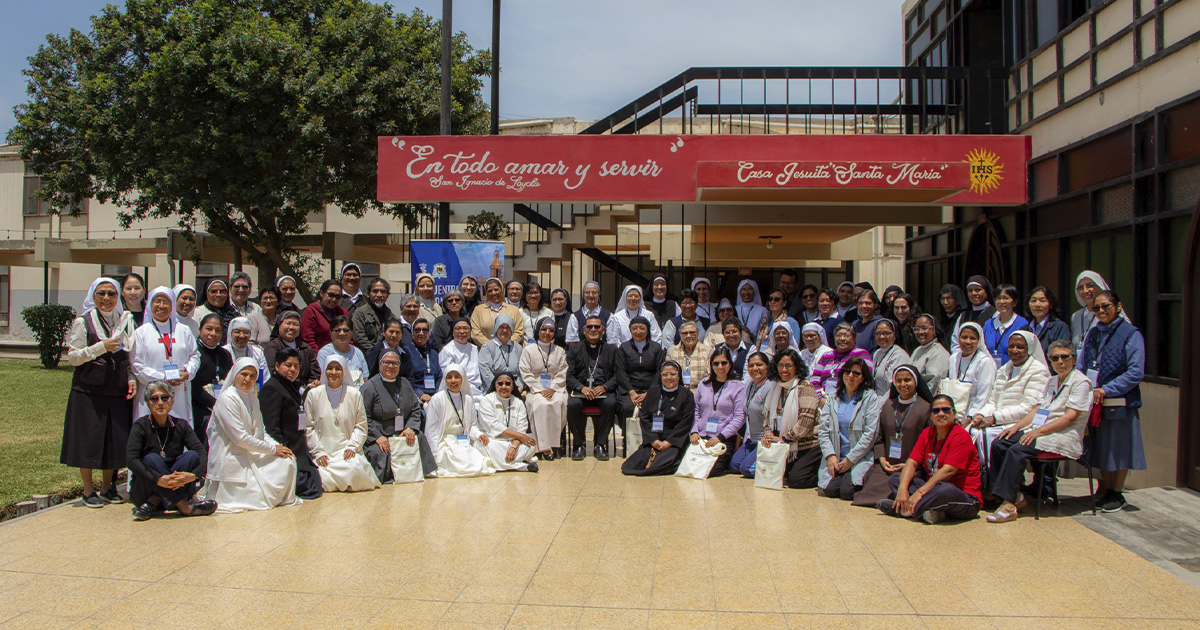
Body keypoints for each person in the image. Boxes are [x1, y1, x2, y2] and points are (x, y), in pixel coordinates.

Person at [986, 340, 1093, 523]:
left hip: (1063, 434)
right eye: (1055, 358)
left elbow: (1069, 417)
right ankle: (1015, 494)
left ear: (1073, 359)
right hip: (1042, 429)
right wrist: (1017, 427)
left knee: (1017, 450)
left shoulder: (1081, 382)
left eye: (1065, 357)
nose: (1060, 361)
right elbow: (1037, 410)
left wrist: (1038, 432)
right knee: (1000, 442)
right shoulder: (1052, 381)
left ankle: (1009, 504)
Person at [63, 277, 138, 507]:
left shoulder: (125, 320)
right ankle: (88, 489)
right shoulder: (83, 322)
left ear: (118, 297)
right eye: (101, 294)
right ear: (93, 297)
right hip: (88, 390)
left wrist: (132, 377)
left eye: (111, 294)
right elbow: (73, 357)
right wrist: (100, 347)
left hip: (116, 390)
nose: (106, 299)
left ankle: (108, 487)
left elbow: (129, 355)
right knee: (88, 440)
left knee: (114, 439)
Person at [203, 357, 300, 511]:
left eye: (252, 376)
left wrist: (277, 446)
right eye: (244, 374)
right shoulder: (227, 399)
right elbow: (240, 438)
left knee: (286, 462)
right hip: (232, 454)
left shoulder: (252, 398)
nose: (248, 379)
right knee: (257, 495)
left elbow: (260, 431)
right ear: (235, 374)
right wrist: (272, 449)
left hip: (252, 450)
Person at [1082, 290, 1146, 512]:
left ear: (1118, 306)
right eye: (1096, 308)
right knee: (1101, 447)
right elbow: (1083, 365)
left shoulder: (1131, 334)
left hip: (1119, 402)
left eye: (1106, 306)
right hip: (1096, 403)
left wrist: (1107, 389)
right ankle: (1106, 490)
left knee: (1118, 449)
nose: (1101, 311)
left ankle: (1117, 493)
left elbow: (1135, 372)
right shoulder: (1093, 333)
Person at [877, 395, 982, 523]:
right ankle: (930, 512)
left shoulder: (960, 436)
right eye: (936, 411)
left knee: (944, 489)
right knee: (895, 479)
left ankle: (904, 510)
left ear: (954, 414)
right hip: (932, 489)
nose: (941, 414)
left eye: (946, 410)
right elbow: (911, 463)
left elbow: (949, 471)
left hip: (964, 497)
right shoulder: (927, 433)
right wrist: (902, 489)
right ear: (931, 416)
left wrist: (919, 493)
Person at [126, 381, 218, 519]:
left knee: (192, 456)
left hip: (177, 486)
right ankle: (184, 506)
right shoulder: (140, 426)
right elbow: (131, 460)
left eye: (165, 397)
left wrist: (194, 476)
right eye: (154, 398)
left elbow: (201, 453)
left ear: (172, 400)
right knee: (151, 459)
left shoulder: (181, 425)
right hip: (146, 491)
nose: (160, 403)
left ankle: (155, 500)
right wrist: (158, 479)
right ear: (147, 402)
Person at [852, 366, 933, 508]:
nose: (903, 384)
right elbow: (880, 438)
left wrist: (911, 464)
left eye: (907, 380)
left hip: (912, 466)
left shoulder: (926, 408)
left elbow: (929, 444)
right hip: (887, 465)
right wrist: (882, 460)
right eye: (899, 380)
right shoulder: (888, 406)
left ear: (916, 382)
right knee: (864, 496)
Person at [970, 330, 1049, 477]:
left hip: (1022, 423)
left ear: (1029, 349)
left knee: (992, 437)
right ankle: (980, 481)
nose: (1015, 350)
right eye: (1011, 346)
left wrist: (995, 418)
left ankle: (997, 484)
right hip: (1000, 419)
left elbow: (1028, 408)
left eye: (1020, 347)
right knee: (972, 430)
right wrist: (981, 414)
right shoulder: (1004, 370)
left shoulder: (1038, 372)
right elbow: (993, 401)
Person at [303, 355, 381, 492]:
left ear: (344, 371)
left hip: (346, 450)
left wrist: (352, 447)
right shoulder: (313, 395)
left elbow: (361, 426)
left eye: (338, 369)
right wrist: (318, 452)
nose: (333, 372)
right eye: (330, 369)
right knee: (321, 475)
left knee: (354, 468)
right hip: (323, 451)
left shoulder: (354, 394)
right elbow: (308, 427)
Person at [360, 349, 437, 483]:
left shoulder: (405, 383)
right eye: (387, 363)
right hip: (380, 434)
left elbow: (414, 409)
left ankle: (418, 473)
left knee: (420, 438)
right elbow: (363, 417)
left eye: (395, 364)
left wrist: (410, 428)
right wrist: (377, 437)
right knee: (379, 453)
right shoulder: (368, 387)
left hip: (402, 432)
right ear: (379, 364)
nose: (391, 366)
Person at [259, 348, 323, 499]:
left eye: (296, 366)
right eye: (288, 365)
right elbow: (270, 427)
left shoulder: (291, 386)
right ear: (276, 366)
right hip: (285, 449)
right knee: (306, 487)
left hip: (298, 447)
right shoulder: (272, 388)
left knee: (314, 483)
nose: (292, 370)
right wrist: (282, 449)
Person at [132, 286, 199, 426]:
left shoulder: (183, 330)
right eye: (157, 301)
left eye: (166, 302)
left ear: (172, 305)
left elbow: (195, 355)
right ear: (150, 304)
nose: (161, 306)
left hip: (179, 389)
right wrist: (163, 378)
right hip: (151, 390)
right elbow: (137, 364)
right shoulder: (141, 333)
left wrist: (187, 372)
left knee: (178, 428)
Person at [817, 358, 882, 500]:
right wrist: (830, 456)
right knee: (830, 490)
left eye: (856, 373)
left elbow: (871, 433)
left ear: (863, 377)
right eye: (847, 372)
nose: (850, 376)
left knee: (847, 492)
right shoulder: (833, 397)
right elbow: (823, 430)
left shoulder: (870, 398)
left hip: (857, 457)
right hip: (836, 456)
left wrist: (850, 460)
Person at [758, 349, 823, 487]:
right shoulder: (776, 386)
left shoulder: (805, 387)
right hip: (782, 443)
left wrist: (785, 438)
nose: (784, 370)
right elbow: (767, 415)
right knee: (770, 474)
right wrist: (768, 434)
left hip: (806, 443)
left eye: (789, 366)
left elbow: (806, 420)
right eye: (781, 365)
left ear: (797, 367)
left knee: (797, 480)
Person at [621, 361, 695, 476]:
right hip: (654, 437)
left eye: (672, 374)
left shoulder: (686, 395)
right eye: (665, 374)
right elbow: (644, 416)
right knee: (630, 466)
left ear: (678, 375)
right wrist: (653, 440)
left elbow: (686, 422)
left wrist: (669, 442)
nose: (669, 378)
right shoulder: (653, 392)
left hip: (674, 440)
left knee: (666, 462)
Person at [424, 363, 495, 477]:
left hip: (463, 440)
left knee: (481, 458)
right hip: (444, 442)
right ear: (445, 380)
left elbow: (472, 425)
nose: (453, 381)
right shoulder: (437, 399)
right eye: (449, 377)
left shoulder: (467, 399)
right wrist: (434, 455)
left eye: (457, 377)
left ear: (463, 379)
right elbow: (431, 430)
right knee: (463, 461)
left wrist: (478, 434)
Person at [566, 315, 620, 460]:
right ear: (584, 329)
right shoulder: (575, 349)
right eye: (590, 326)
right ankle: (579, 444)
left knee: (611, 403)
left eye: (597, 327)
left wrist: (605, 387)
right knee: (573, 404)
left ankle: (600, 444)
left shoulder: (611, 350)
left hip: (602, 390)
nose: (593, 329)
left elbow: (617, 375)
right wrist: (581, 387)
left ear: (603, 330)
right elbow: (569, 375)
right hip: (581, 391)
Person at [688, 347, 747, 477]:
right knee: (692, 465)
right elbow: (697, 410)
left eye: (724, 363)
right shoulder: (704, 384)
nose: (720, 367)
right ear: (711, 365)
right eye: (716, 363)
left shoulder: (738, 387)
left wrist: (720, 437)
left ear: (730, 365)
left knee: (709, 470)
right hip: (701, 436)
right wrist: (694, 431)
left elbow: (739, 417)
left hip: (723, 438)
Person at [519, 318, 570, 460]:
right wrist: (540, 389)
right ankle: (544, 447)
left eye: (551, 330)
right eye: (544, 329)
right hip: (535, 387)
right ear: (538, 331)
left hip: (555, 387)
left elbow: (562, 371)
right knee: (540, 404)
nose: (547, 333)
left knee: (558, 403)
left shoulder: (559, 351)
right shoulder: (528, 350)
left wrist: (553, 388)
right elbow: (525, 371)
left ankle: (551, 443)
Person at [474, 373, 539, 472]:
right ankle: (521, 466)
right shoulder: (486, 401)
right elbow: (493, 427)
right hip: (494, 440)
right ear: (495, 385)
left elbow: (522, 429)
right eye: (500, 384)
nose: (503, 387)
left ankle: (500, 464)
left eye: (507, 384)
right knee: (483, 445)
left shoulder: (518, 402)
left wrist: (514, 446)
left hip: (514, 442)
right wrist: (521, 437)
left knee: (531, 445)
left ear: (513, 386)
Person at [728, 352, 775, 477]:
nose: (755, 369)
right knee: (734, 465)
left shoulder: (771, 386)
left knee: (746, 469)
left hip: (764, 440)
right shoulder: (750, 385)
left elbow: (772, 417)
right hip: (751, 440)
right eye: (751, 365)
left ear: (767, 367)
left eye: (759, 365)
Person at [614, 315, 666, 428]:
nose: (638, 331)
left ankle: (652, 439)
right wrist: (632, 393)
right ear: (630, 330)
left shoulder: (656, 348)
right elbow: (621, 372)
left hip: (651, 389)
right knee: (626, 407)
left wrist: (649, 393)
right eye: (635, 328)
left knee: (655, 407)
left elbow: (659, 372)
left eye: (642, 328)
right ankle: (628, 440)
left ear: (647, 330)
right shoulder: (624, 348)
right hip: (630, 391)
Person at [191, 313, 233, 444]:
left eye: (217, 330)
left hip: (221, 402)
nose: (213, 333)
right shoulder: (194, 352)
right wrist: (215, 404)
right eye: (209, 329)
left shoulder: (225, 354)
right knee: (208, 422)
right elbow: (194, 387)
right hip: (199, 404)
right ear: (200, 330)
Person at [945, 322, 998, 421]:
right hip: (952, 411)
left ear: (979, 341)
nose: (968, 342)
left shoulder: (985, 362)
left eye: (972, 338)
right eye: (964, 337)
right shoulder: (953, 359)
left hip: (973, 412)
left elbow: (983, 395)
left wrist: (970, 417)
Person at [810, 322, 871, 398]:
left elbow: (866, 379)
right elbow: (814, 378)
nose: (842, 339)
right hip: (823, 398)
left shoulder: (861, 354)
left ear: (853, 339)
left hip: (849, 398)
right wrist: (820, 398)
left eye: (847, 335)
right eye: (838, 335)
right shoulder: (827, 355)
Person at [1071, 270, 1127, 353]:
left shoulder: (1110, 313)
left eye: (1090, 285)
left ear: (1100, 287)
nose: (1085, 290)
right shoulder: (1076, 316)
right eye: (1081, 287)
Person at [262, 310, 320, 388]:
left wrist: (310, 385)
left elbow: (315, 372)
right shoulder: (272, 347)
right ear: (279, 325)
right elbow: (272, 372)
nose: (291, 327)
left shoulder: (306, 348)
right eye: (288, 323)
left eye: (295, 324)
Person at [982, 284, 1028, 368]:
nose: (1002, 301)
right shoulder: (988, 324)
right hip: (990, 372)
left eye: (1006, 298)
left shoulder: (1023, 324)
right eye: (998, 298)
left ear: (1015, 302)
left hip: (1013, 372)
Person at [470, 278, 526, 346]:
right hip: (486, 351)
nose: (493, 293)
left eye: (496, 290)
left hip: (509, 351)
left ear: (502, 290)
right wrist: (492, 346)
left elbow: (519, 331)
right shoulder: (478, 310)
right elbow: (475, 333)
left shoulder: (514, 310)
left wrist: (506, 345)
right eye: (490, 291)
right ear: (486, 293)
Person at [315, 316, 369, 387]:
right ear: (331, 333)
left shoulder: (357, 352)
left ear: (351, 333)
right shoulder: (324, 353)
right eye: (337, 330)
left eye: (346, 330)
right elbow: (324, 379)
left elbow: (365, 379)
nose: (342, 333)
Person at [300, 279, 348, 353]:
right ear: (321, 293)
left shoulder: (343, 312)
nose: (334, 299)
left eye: (337, 296)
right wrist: (320, 357)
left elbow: (348, 337)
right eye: (330, 295)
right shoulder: (312, 311)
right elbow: (308, 340)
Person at [479, 314, 524, 392]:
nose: (505, 331)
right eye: (501, 327)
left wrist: (519, 387)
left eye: (508, 328)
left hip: (514, 388)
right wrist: (497, 387)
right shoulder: (487, 347)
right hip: (494, 388)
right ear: (496, 328)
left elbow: (522, 371)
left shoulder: (517, 348)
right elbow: (486, 372)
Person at [1024, 285, 1071, 359]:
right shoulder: (1024, 330)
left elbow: (1061, 357)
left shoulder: (1059, 327)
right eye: (1033, 301)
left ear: (1051, 305)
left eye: (1042, 300)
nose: (1037, 304)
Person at [440, 318, 483, 395]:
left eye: (465, 328)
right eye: (458, 328)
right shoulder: (447, 350)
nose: (462, 332)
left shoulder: (474, 348)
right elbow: (448, 375)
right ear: (452, 333)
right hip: (457, 390)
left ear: (470, 332)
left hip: (476, 389)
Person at [352, 278, 395, 354]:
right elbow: (359, 338)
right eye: (375, 291)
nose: (379, 295)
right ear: (368, 294)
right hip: (367, 357)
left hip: (388, 357)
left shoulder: (391, 317)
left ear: (387, 295)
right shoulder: (360, 313)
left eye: (383, 292)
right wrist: (376, 354)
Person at [665, 321, 710, 392]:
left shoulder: (708, 351)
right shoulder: (671, 352)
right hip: (678, 393)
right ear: (680, 335)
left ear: (698, 334)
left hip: (702, 393)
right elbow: (668, 376)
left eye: (692, 332)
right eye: (685, 333)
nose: (689, 336)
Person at [910, 314, 950, 393]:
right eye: (917, 329)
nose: (920, 332)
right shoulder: (917, 350)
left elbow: (934, 383)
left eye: (924, 328)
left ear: (935, 330)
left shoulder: (938, 353)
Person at [223, 317, 269, 385]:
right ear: (231, 333)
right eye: (237, 332)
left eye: (245, 332)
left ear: (250, 334)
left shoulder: (258, 353)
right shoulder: (223, 352)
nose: (241, 336)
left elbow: (265, 378)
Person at [226, 272, 269, 344]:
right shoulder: (225, 307)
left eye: (245, 287)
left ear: (250, 289)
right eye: (237, 286)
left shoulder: (257, 309)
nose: (241, 290)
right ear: (230, 288)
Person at [406, 318, 442, 403]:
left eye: (425, 330)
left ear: (429, 333)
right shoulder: (406, 352)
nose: (421, 333)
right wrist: (420, 394)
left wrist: (436, 393)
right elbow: (406, 380)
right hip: (415, 396)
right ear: (412, 333)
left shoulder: (433, 353)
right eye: (417, 330)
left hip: (434, 395)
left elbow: (439, 376)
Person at [872, 320, 910, 396]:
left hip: (890, 401)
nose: (882, 337)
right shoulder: (877, 353)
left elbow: (894, 388)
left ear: (894, 335)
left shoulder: (899, 355)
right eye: (878, 333)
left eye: (886, 333)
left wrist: (880, 405)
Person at [755, 288, 801, 352]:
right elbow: (755, 342)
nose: (773, 302)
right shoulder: (763, 322)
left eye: (777, 299)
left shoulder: (791, 322)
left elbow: (794, 345)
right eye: (770, 299)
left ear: (784, 303)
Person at [936, 284, 968, 352]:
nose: (945, 302)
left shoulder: (964, 318)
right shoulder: (941, 321)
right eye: (942, 298)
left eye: (949, 298)